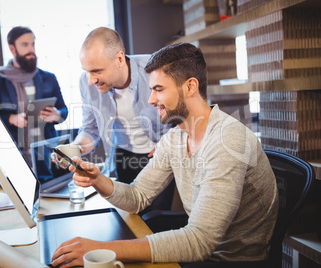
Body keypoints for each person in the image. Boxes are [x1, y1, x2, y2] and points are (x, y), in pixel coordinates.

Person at [51, 42, 279, 267]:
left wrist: (102, 248)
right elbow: (137, 197)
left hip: (233, 261)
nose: (151, 100)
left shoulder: (227, 140)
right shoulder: (175, 137)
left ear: (190, 87)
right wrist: (97, 180)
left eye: (159, 89)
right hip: (205, 253)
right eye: (151, 89)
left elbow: (200, 241)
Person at [71, 27, 172, 183]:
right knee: (125, 207)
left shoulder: (156, 70)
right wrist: (74, 148)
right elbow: (90, 128)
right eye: (86, 71)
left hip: (161, 155)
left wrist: (168, 144)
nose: (90, 80)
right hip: (122, 157)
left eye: (97, 71)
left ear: (119, 59)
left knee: (156, 208)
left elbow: (186, 115)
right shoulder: (85, 82)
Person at [0, 26, 68, 164]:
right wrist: (11, 118)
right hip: (15, 154)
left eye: (33, 44)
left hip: (48, 153)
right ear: (12, 49)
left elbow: (64, 110)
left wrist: (57, 114)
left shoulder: (49, 78)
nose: (31, 50)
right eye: (25, 45)